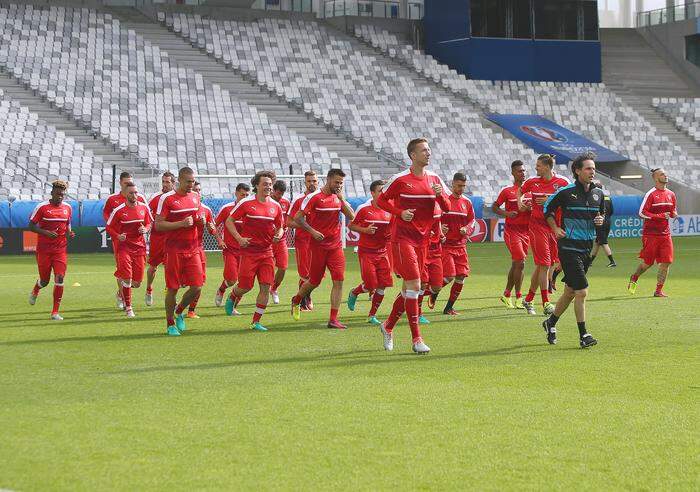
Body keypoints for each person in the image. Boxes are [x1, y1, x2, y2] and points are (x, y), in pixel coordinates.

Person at [376, 138, 450, 354]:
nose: (428, 153)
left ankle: (387, 326)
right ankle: (417, 339)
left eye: (429, 150)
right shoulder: (400, 179)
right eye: (424, 150)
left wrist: (439, 195)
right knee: (415, 286)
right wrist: (400, 213)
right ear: (413, 155)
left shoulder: (435, 178)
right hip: (403, 239)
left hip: (424, 241)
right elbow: (381, 201)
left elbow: (445, 206)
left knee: (412, 289)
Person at [541, 152, 603, 348]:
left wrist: (599, 220)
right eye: (588, 168)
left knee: (569, 291)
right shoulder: (566, 192)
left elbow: (600, 215)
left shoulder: (598, 194)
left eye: (593, 168)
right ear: (577, 171)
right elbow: (547, 209)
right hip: (568, 248)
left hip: (586, 248)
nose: (592, 171)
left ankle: (550, 322)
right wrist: (555, 228)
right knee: (582, 292)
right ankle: (584, 335)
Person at [290, 168, 355, 329]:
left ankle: (333, 319)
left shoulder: (337, 197)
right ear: (328, 180)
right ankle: (297, 299)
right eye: (336, 182)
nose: (339, 185)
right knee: (314, 281)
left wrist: (341, 198)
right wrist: (312, 231)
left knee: (339, 280)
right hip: (317, 247)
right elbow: (298, 218)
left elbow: (352, 216)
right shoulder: (313, 198)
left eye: (341, 183)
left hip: (335, 247)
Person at [225, 171, 284, 332]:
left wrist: (279, 234)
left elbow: (280, 227)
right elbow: (229, 221)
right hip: (249, 252)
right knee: (245, 286)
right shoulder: (246, 203)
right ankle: (233, 295)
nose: (268, 187)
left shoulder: (276, 206)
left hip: (266, 252)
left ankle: (256, 321)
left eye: (270, 184)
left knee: (265, 286)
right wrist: (239, 238)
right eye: (265, 184)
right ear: (256, 185)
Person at [517, 154, 570, 316]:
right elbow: (520, 190)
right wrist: (521, 203)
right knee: (545, 264)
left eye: (538, 165)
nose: (536, 168)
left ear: (547, 167)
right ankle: (546, 302)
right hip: (537, 226)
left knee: (544, 265)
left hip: (554, 227)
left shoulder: (562, 182)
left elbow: (570, 198)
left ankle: (529, 299)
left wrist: (550, 199)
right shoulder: (532, 182)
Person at [154, 167, 203, 336]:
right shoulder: (167, 199)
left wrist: (200, 221)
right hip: (173, 250)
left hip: (193, 248)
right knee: (173, 288)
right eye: (188, 181)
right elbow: (158, 224)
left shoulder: (196, 197)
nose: (191, 184)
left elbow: (197, 218)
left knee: (197, 286)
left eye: (193, 181)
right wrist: (180, 224)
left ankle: (179, 310)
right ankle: (170, 324)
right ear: (179, 181)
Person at [347, 180, 393, 325]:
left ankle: (372, 315)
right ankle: (354, 292)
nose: (383, 193)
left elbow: (392, 229)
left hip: (383, 252)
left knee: (383, 284)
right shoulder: (363, 208)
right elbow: (352, 225)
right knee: (371, 285)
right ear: (372, 193)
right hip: (366, 251)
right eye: (380, 190)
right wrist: (365, 230)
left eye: (384, 191)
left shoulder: (390, 209)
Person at [28, 180, 74, 320]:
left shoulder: (67, 208)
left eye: (63, 194)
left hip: (60, 249)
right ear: (52, 193)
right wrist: (46, 233)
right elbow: (31, 226)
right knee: (45, 280)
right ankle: (36, 288)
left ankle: (55, 312)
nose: (60, 197)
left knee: (59, 278)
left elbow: (67, 224)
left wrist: (69, 233)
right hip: (44, 250)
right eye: (58, 194)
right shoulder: (42, 207)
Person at [627, 168, 677, 297]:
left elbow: (672, 211)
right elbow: (641, 213)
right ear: (655, 178)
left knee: (666, 262)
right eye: (662, 174)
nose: (665, 176)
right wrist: (660, 216)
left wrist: (673, 214)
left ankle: (658, 290)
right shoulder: (651, 194)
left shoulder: (671, 194)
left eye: (666, 174)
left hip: (665, 234)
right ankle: (634, 277)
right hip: (651, 235)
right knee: (648, 263)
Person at [105, 183, 153, 318]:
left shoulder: (143, 207)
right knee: (127, 278)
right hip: (124, 247)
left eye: (136, 192)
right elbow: (109, 227)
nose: (134, 195)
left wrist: (146, 229)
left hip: (139, 247)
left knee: (136, 283)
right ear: (126, 194)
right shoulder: (119, 210)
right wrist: (117, 236)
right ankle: (129, 308)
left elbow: (149, 222)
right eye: (131, 193)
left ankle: (121, 292)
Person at [492, 160, 530, 309]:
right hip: (512, 231)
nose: (523, 173)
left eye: (524, 170)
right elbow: (494, 207)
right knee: (520, 262)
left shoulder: (530, 191)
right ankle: (519, 297)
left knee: (517, 264)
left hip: (526, 232)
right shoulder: (507, 190)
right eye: (520, 171)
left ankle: (506, 294)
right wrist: (507, 213)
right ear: (513, 173)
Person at [439, 172, 475, 316]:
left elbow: (472, 220)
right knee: (449, 276)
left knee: (461, 277)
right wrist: (440, 227)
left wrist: (467, 229)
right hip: (446, 245)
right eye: (459, 185)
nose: (461, 188)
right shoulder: (444, 200)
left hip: (461, 245)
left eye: (463, 186)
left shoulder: (467, 202)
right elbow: (434, 217)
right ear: (452, 183)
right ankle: (432, 291)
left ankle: (448, 307)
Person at [214, 183, 251, 312]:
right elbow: (213, 225)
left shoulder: (251, 209)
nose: (245, 197)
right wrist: (220, 240)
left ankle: (233, 306)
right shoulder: (227, 208)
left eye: (247, 195)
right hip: (230, 249)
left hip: (246, 251)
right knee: (231, 279)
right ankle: (222, 289)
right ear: (236, 193)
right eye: (242, 195)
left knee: (243, 281)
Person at [187, 181, 220, 319]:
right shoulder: (184, 207)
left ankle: (191, 310)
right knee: (177, 283)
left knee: (199, 282)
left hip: (198, 248)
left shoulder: (206, 210)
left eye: (199, 190)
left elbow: (212, 229)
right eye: (195, 190)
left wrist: (212, 229)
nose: (198, 193)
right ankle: (173, 305)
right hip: (179, 248)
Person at [288, 171, 319, 311]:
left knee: (317, 275)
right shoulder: (299, 200)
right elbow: (288, 221)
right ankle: (303, 301)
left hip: (320, 242)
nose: (312, 183)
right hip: (303, 241)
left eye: (314, 181)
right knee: (305, 274)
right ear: (305, 183)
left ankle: (304, 296)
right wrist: (306, 225)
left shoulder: (323, 197)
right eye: (309, 181)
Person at [145, 171, 175, 305]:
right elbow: (146, 213)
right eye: (163, 181)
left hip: (172, 237)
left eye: (167, 182)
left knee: (171, 266)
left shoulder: (176, 197)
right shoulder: (156, 197)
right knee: (153, 267)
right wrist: (151, 225)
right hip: (157, 237)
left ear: (173, 183)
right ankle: (149, 288)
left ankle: (168, 291)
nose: (164, 184)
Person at [270, 179, 291, 305]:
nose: (279, 196)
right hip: (267, 241)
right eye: (277, 193)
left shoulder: (286, 202)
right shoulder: (266, 201)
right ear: (273, 190)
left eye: (281, 194)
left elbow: (287, 219)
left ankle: (274, 289)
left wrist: (286, 225)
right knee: (268, 269)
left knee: (283, 267)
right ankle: (265, 291)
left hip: (281, 240)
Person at [590, 181, 616, 267]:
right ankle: (590, 261)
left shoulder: (594, 198)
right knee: (598, 242)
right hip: (608, 220)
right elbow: (612, 211)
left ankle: (612, 262)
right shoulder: (608, 198)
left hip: (600, 221)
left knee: (604, 242)